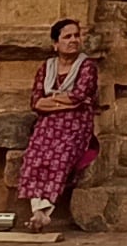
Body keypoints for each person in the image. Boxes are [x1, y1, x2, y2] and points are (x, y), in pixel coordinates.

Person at [16, 18, 106, 229]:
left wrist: (53, 101)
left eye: (76, 35)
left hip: (76, 124)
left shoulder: (87, 67)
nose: (74, 40)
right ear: (55, 44)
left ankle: (46, 210)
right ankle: (37, 212)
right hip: (48, 124)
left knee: (61, 154)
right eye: (67, 37)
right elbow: (36, 102)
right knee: (36, 154)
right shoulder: (45, 68)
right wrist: (63, 100)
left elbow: (80, 97)